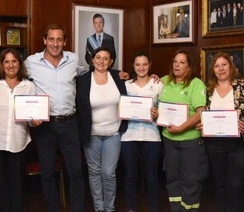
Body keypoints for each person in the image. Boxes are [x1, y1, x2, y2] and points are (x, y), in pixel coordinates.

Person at [25, 24, 85, 212]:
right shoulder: (31, 62)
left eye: (59, 39)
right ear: (44, 40)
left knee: (76, 171)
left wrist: (121, 76)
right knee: (47, 173)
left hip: (69, 123)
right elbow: (11, 73)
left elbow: (93, 73)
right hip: (46, 125)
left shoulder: (73, 60)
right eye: (51, 39)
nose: (55, 43)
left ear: (64, 42)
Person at [197, 52, 244, 212]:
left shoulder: (243, 86)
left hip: (239, 145)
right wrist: (202, 124)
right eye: (216, 66)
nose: (221, 69)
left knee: (235, 184)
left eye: (224, 65)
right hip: (214, 145)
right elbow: (202, 113)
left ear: (231, 66)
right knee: (219, 184)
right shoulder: (208, 89)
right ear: (213, 69)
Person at [76, 46, 127, 212]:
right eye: (98, 57)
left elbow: (137, 80)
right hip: (92, 135)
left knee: (108, 172)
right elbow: (78, 107)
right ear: (92, 60)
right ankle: (99, 207)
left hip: (114, 133)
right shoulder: (83, 80)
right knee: (94, 172)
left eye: (106, 58)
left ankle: (109, 207)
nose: (101, 61)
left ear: (111, 61)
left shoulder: (119, 77)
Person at [0, 48, 36, 211]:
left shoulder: (29, 86)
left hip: (18, 142)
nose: (10, 65)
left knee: (17, 185)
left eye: (14, 61)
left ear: (20, 64)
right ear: (1, 64)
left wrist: (36, 121)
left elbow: (32, 117)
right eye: (6, 61)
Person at [160, 49, 208, 211]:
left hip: (190, 141)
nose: (177, 65)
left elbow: (201, 111)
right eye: (175, 61)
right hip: (169, 140)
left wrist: (181, 127)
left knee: (190, 180)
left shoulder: (196, 84)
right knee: (172, 178)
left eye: (182, 62)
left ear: (189, 67)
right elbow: (146, 84)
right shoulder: (164, 81)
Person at [120, 51, 163, 212]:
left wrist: (158, 113)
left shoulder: (158, 84)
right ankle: (131, 208)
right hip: (129, 136)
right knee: (130, 176)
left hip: (152, 136)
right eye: (138, 64)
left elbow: (164, 110)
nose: (141, 68)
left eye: (144, 64)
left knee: (151, 176)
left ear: (150, 65)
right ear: (133, 66)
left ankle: (153, 208)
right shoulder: (126, 84)